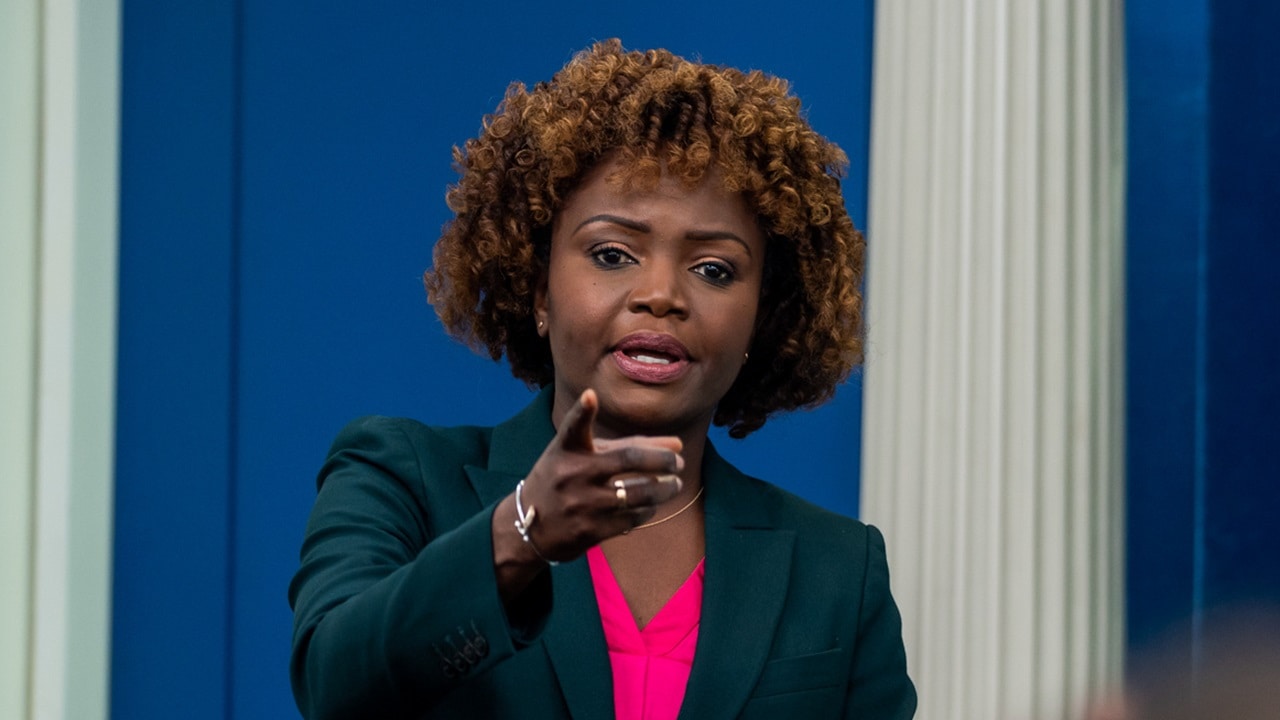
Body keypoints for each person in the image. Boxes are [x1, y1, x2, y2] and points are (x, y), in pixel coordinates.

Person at [289, 39, 916, 719]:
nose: (661, 294)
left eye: (714, 270)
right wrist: (520, 533)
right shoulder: (403, 478)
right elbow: (333, 683)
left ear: (764, 317)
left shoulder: (838, 571)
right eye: (612, 254)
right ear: (538, 288)